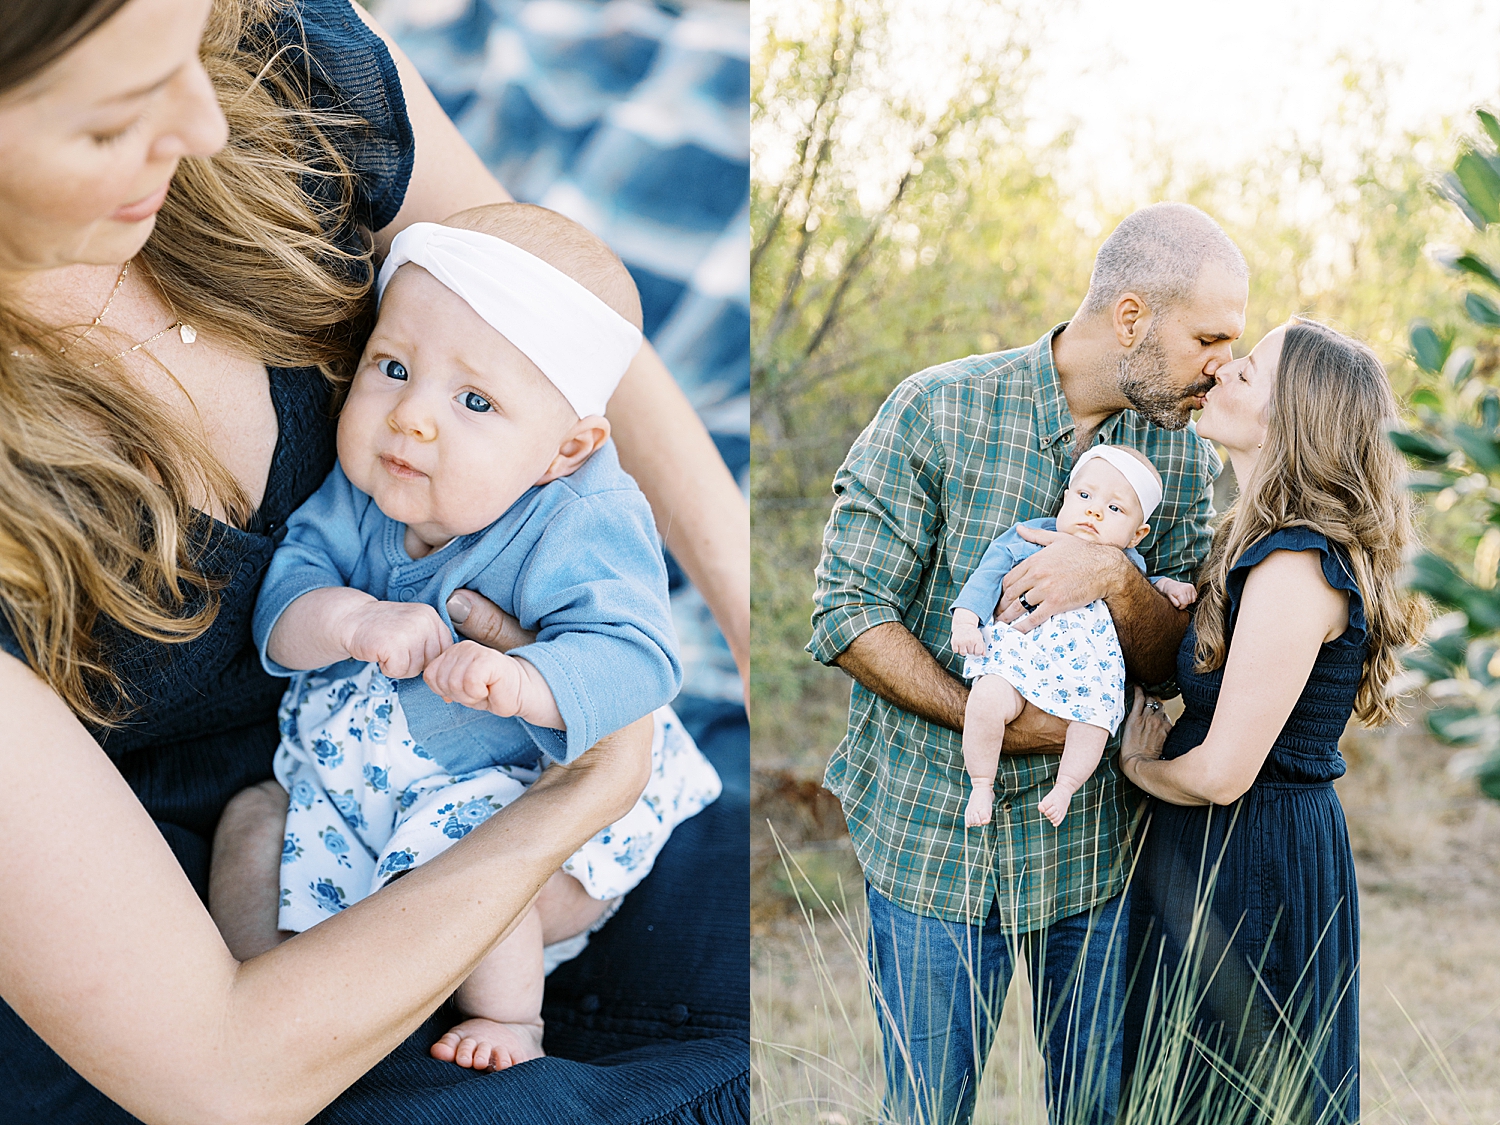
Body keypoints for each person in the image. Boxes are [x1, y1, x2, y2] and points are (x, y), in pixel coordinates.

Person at [0, 1, 747, 1121]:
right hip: (210, 959)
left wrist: (752, 612)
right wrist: (588, 784)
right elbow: (218, 1067)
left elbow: (566, 318)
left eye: (191, 50)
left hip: (515, 758)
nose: (204, 124)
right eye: (114, 119)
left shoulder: (274, 65)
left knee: (776, 972)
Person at [217, 203, 721, 1073]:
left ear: (567, 447)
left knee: (467, 851)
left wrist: (525, 681)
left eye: (475, 399)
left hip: (510, 787)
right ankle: (265, 991)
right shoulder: (363, 483)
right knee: (252, 819)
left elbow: (641, 657)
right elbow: (283, 606)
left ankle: (513, 1019)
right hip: (351, 781)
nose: (411, 417)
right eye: (394, 366)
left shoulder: (582, 517)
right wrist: (352, 618)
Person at [809, 201, 1247, 1125]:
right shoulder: (939, 407)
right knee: (925, 1110)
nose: (1221, 363)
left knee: (1098, 1110)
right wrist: (1008, 725)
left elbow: (1176, 665)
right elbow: (848, 613)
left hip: (1090, 851)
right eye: (1208, 336)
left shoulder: (1179, 451)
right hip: (931, 840)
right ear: (1131, 317)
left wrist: (1114, 579)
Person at [1118, 320, 1427, 1124]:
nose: (1220, 374)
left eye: (1247, 374)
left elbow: (1223, 771)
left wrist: (1139, 766)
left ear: (1292, 422)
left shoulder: (1296, 562)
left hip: (1251, 860)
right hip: (1227, 851)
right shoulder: (1257, 542)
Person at [951, 445, 1198, 829]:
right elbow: (987, 575)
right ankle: (981, 783)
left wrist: (1167, 586)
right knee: (986, 700)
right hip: (1022, 657)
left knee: (1094, 724)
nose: (1094, 511)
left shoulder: (1126, 563)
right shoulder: (1029, 537)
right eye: (1084, 496)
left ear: (1137, 533)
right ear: (1066, 499)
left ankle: (1065, 786)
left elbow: (1143, 589)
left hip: (1086, 673)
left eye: (1114, 509)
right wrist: (966, 622)